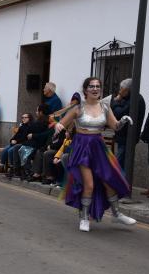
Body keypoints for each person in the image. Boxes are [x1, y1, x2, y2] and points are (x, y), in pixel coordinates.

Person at [55, 77, 136, 232]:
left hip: (98, 147)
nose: (95, 89)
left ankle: (116, 214)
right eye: (91, 86)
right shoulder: (78, 108)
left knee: (109, 180)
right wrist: (58, 126)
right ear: (85, 90)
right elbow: (61, 123)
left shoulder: (105, 107)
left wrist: (123, 121)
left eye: (97, 86)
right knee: (89, 184)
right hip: (82, 148)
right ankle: (84, 217)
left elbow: (115, 126)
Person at [110, 78, 146, 169]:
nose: (119, 91)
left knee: (118, 164)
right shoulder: (126, 98)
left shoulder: (135, 99)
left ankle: (120, 182)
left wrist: (114, 102)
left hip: (128, 138)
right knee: (120, 164)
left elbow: (120, 113)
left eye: (121, 89)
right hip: (122, 136)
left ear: (127, 89)